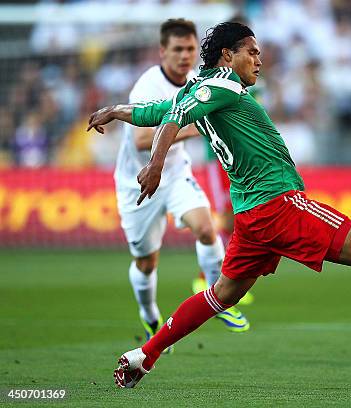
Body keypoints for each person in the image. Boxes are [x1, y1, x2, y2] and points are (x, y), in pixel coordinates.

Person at [88, 22, 351, 389]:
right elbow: (172, 117)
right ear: (226, 55)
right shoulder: (218, 86)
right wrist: (156, 163)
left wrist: (114, 110)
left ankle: (145, 355)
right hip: (279, 204)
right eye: (252, 51)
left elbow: (153, 112)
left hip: (254, 216)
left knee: (224, 294)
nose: (259, 60)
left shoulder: (205, 91)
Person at [113, 19, 250, 341]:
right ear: (163, 51)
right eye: (178, 49)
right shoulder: (147, 87)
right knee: (146, 263)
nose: (185, 56)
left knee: (206, 228)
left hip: (175, 175)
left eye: (190, 49)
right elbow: (141, 141)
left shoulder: (195, 81)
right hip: (137, 184)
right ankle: (149, 315)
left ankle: (221, 300)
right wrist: (190, 127)